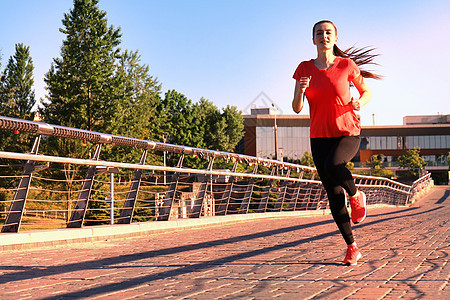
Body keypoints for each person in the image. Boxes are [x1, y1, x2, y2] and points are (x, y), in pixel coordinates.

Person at [292, 20, 381, 266]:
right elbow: (297, 108)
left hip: (347, 131)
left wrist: (359, 103)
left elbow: (367, 92)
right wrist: (300, 90)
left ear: (335, 38)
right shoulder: (303, 68)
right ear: (313, 40)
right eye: (319, 33)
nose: (324, 36)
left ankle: (355, 194)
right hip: (319, 136)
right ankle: (352, 247)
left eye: (328, 32)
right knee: (332, 195)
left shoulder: (346, 65)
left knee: (333, 166)